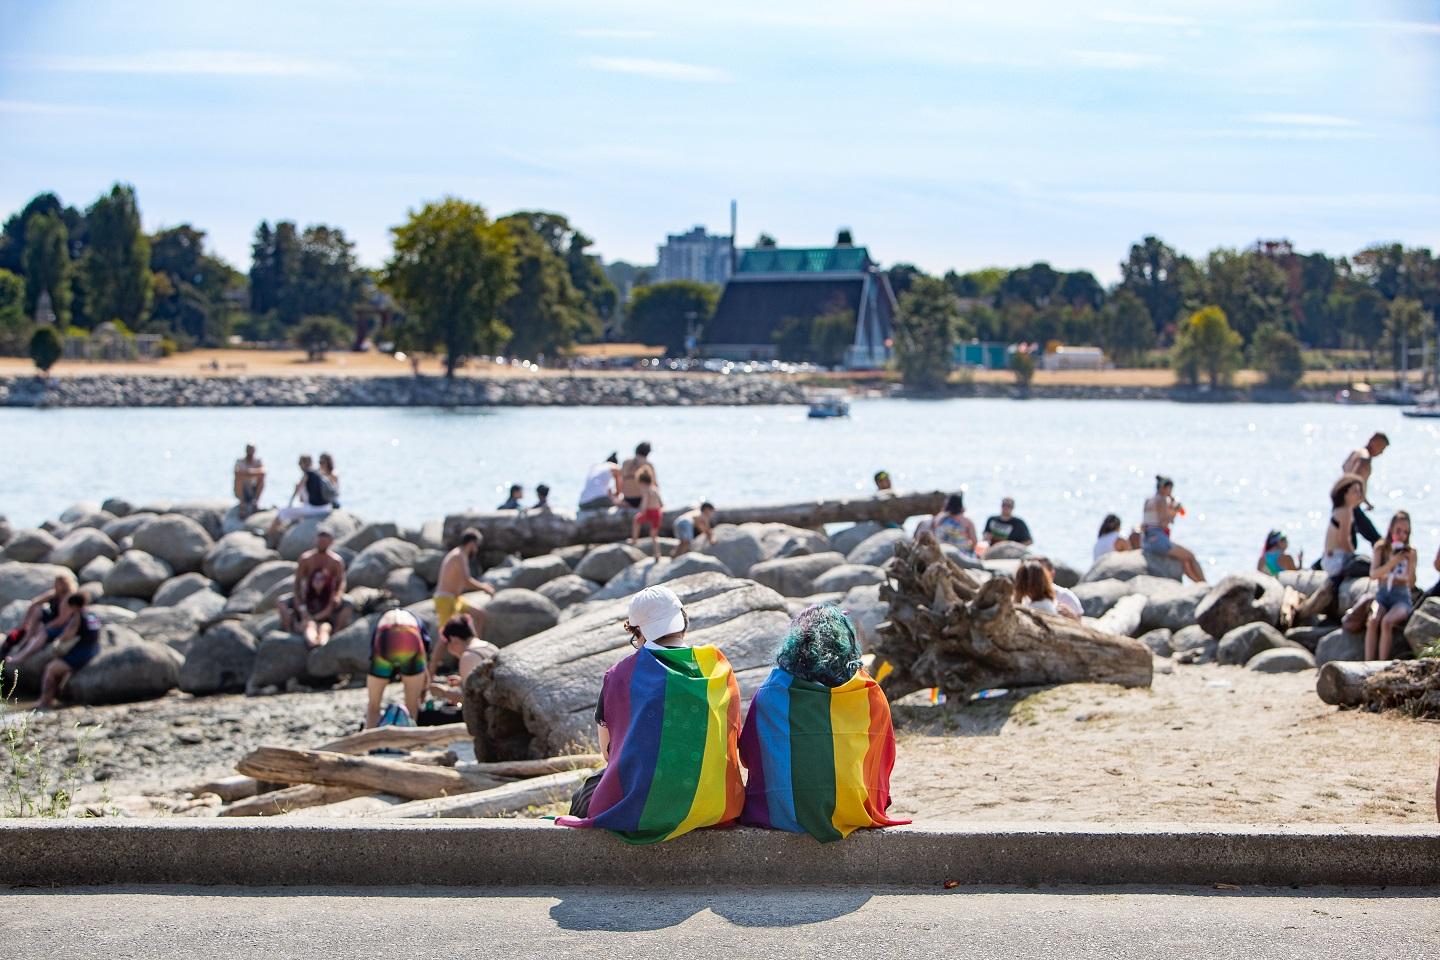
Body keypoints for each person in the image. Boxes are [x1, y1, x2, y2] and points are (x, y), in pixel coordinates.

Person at [557, 585, 744, 844]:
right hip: (717, 806)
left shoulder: (621, 675)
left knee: (584, 795)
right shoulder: (718, 667)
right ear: (684, 620)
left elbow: (610, 754)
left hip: (643, 808)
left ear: (638, 632)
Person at [739, 603, 908, 842]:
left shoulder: (773, 691)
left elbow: (748, 754)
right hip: (855, 810)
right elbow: (884, 758)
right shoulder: (869, 692)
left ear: (795, 644)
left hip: (782, 813)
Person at [277, 529, 350, 648]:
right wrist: (297, 599)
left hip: (328, 595)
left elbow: (341, 581)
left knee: (349, 604)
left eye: (325, 542)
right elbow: (298, 581)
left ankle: (336, 633)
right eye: (320, 541)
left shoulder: (335, 561)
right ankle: (289, 631)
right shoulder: (306, 558)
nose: (322, 544)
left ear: (330, 543)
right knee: (281, 602)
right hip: (308, 594)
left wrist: (338, 595)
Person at [365, 607, 432, 728]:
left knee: (373, 706)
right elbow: (424, 662)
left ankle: (368, 742)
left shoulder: (383, 619)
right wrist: (423, 689)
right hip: (411, 638)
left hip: (385, 636)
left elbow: (373, 655)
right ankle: (410, 743)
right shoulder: (417, 621)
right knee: (411, 708)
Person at [1365, 511, 1417, 661]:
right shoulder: (1381, 548)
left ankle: (1382, 664)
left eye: (1405, 532)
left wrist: (1410, 562)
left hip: (1401, 598)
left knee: (1387, 622)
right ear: (1391, 529)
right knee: (1374, 620)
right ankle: (1367, 662)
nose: (1402, 535)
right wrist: (1392, 562)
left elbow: (1411, 583)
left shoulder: (1410, 552)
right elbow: (1373, 574)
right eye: (1398, 531)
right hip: (1382, 596)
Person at [36, 595, 101, 711]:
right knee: (58, 669)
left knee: (50, 669)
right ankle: (56, 698)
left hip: (81, 655)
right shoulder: (93, 615)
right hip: (93, 650)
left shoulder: (77, 617)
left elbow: (67, 635)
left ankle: (45, 702)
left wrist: (57, 641)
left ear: (74, 606)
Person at [2, 573, 78, 663]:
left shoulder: (68, 598)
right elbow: (34, 603)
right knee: (38, 610)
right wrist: (25, 621)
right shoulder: (55, 594)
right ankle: (27, 637)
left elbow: (62, 619)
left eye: (59, 583)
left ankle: (21, 656)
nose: (56, 585)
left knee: (43, 632)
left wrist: (47, 626)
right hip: (52, 619)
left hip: (62, 625)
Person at [1142, 476, 1205, 583]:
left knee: (1183, 560)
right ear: (1164, 488)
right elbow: (1163, 523)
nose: (1170, 492)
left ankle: (1199, 585)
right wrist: (1175, 511)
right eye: (1170, 489)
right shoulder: (1161, 499)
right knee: (1190, 556)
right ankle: (1204, 584)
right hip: (1158, 540)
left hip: (1147, 540)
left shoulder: (1149, 500)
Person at [425, 615, 496, 708]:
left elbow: (471, 699)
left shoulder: (468, 657)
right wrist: (462, 682)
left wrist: (444, 692)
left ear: (454, 639)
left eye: (447, 645)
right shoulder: (490, 646)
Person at [434, 528, 495, 636]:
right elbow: (466, 581)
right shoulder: (458, 555)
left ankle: (474, 647)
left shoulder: (461, 555)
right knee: (445, 637)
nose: (477, 549)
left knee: (479, 615)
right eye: (477, 545)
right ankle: (434, 653)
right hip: (445, 599)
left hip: (456, 599)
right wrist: (484, 587)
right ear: (471, 543)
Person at [267, 455, 334, 537]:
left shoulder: (307, 474)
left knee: (282, 512)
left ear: (304, 463)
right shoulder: (320, 472)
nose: (299, 465)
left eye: (300, 463)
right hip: (327, 507)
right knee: (296, 514)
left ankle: (268, 535)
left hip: (315, 509)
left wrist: (290, 504)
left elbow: (299, 493)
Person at [1342, 432, 1389, 546]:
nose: (1381, 453)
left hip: (1342, 505)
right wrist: (1360, 499)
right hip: (1351, 507)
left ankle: (1318, 564)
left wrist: (1365, 501)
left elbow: (1344, 469)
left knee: (1346, 542)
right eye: (1381, 448)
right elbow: (1354, 480)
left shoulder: (1355, 453)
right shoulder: (1364, 458)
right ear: (1374, 441)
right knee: (1377, 541)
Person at [1323, 475, 1365, 580]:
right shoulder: (1346, 512)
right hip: (1337, 561)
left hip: (1329, 560)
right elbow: (1343, 540)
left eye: (1360, 491)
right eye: (1355, 491)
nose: (1359, 495)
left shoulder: (1339, 510)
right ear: (1345, 494)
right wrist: (1353, 555)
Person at [628, 467, 663, 560]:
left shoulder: (646, 490)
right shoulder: (655, 489)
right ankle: (657, 554)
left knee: (636, 520)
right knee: (654, 535)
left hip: (649, 512)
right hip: (657, 513)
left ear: (641, 482)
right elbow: (661, 503)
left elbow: (645, 502)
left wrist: (642, 511)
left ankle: (634, 539)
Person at [931, 493, 980, 560]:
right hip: (962, 554)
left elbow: (934, 536)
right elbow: (974, 541)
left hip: (944, 553)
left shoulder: (939, 519)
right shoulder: (967, 522)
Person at [233, 444, 266, 518]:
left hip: (253, 489)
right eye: (249, 450)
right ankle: (242, 506)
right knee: (239, 480)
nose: (250, 452)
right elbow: (237, 473)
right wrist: (253, 473)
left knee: (261, 479)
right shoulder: (240, 461)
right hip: (242, 491)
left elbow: (263, 472)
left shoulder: (258, 461)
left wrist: (248, 472)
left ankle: (256, 503)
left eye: (252, 450)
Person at [619, 442, 656, 508]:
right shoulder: (648, 464)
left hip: (627, 499)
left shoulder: (625, 462)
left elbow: (620, 481)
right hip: (642, 500)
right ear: (648, 452)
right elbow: (654, 484)